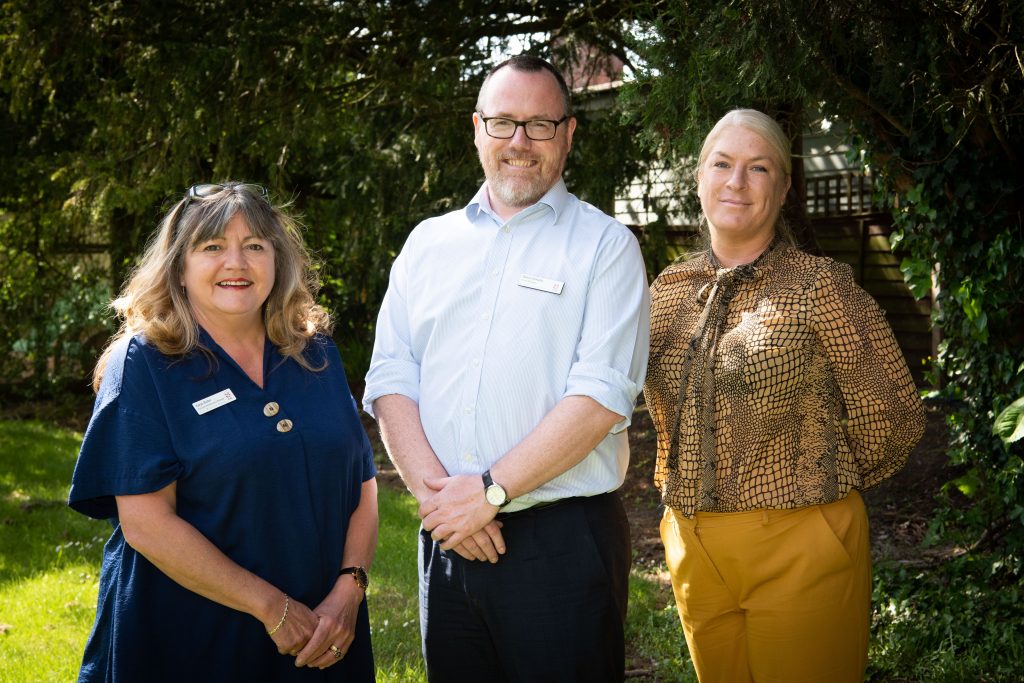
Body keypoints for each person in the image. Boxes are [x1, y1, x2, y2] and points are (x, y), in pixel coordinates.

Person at [363, 55, 650, 682]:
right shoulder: (427, 244)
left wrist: (489, 492)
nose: (519, 142)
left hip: (562, 546)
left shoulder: (606, 247)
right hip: (449, 535)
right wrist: (441, 500)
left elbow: (601, 396)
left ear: (568, 134)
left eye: (539, 125)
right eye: (502, 123)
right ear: (476, 128)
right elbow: (391, 377)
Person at [644, 109, 926, 682]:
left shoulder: (820, 286)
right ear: (699, 177)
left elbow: (895, 413)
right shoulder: (667, 291)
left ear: (783, 187)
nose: (737, 182)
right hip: (692, 546)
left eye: (759, 167)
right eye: (721, 164)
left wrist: (819, 480)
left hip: (801, 541)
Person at [68, 182, 378, 682]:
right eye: (212, 247)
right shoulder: (146, 363)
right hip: (189, 637)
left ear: (278, 261)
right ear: (179, 267)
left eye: (255, 245)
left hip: (324, 636)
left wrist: (350, 589)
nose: (236, 262)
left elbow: (361, 482)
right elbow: (147, 524)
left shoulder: (314, 351)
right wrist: (271, 607)